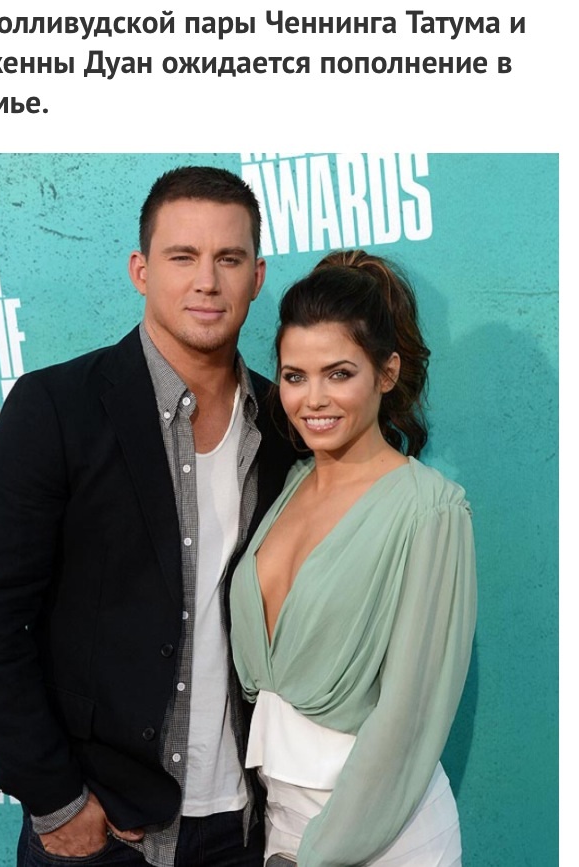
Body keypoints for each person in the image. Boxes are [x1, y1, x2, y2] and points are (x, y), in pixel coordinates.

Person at [0, 166, 298, 867]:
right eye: (182, 257)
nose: (206, 281)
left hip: (243, 824)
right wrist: (58, 802)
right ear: (141, 270)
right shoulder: (55, 408)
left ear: (256, 277)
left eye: (228, 258)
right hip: (102, 829)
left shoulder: (285, 424)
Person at [230, 249, 477, 866]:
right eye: (295, 376)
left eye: (338, 374)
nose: (313, 399)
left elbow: (409, 718)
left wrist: (319, 854)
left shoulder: (429, 509)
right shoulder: (287, 487)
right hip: (283, 827)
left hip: (386, 836)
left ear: (386, 373)